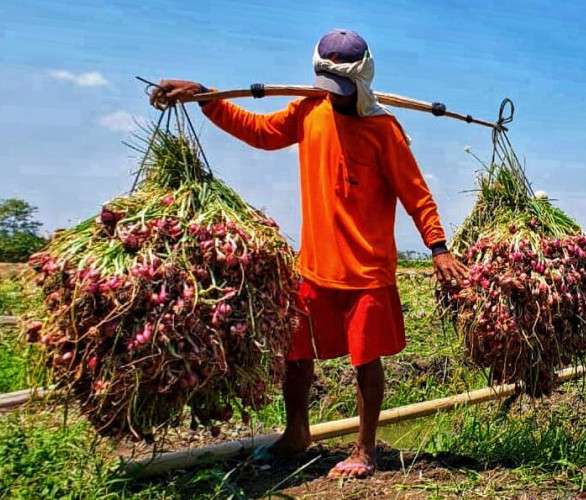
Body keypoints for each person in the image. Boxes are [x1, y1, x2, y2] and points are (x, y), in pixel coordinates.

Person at [150, 28, 468, 479]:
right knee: (295, 354)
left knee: (365, 361)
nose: (334, 98)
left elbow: (417, 195)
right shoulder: (308, 110)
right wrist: (208, 98)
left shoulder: (384, 130)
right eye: (328, 89)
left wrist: (438, 248)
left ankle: (364, 449)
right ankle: (297, 432)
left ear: (361, 81)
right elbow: (259, 132)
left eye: (342, 91)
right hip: (315, 266)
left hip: (367, 271)